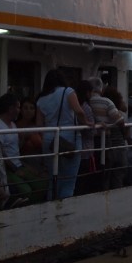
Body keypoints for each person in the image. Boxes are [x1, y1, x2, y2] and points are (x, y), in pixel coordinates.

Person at [35, 70, 88, 200]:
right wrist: (87, 123)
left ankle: (50, 209)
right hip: (69, 139)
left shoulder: (41, 99)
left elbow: (39, 125)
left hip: (49, 140)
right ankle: (64, 213)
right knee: (68, 181)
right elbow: (79, 112)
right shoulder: (68, 92)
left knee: (53, 180)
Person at [0, 92, 44, 205]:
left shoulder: (13, 125)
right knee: (25, 191)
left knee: (43, 185)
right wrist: (15, 169)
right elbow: (0, 153)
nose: (19, 110)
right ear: (10, 108)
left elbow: (16, 149)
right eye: (18, 107)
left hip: (18, 163)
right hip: (7, 168)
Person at [86, 79, 127, 189]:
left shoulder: (85, 102)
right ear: (101, 89)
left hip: (90, 143)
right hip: (107, 142)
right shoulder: (106, 102)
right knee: (112, 174)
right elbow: (120, 121)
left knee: (97, 175)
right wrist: (125, 136)